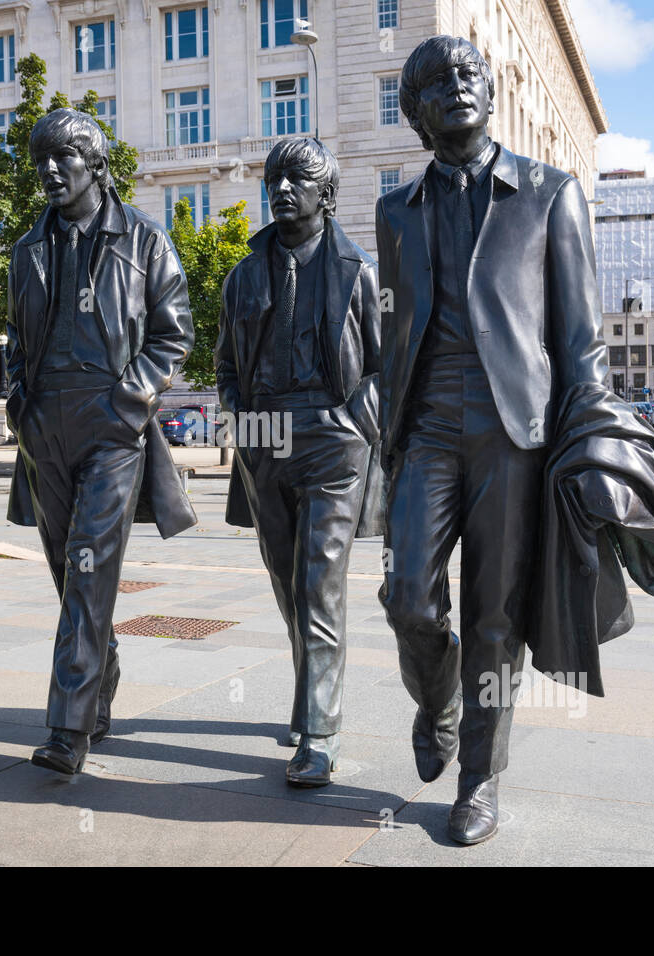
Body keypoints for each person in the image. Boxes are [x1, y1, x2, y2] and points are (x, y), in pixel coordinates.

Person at [375, 36, 612, 844]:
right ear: (416, 112)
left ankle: (480, 777)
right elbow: (396, 333)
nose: (458, 88)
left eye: (469, 74)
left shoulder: (549, 194)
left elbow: (580, 340)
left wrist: (590, 443)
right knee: (407, 595)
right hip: (428, 424)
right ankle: (437, 701)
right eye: (436, 82)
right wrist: (388, 428)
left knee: (496, 615)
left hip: (518, 431)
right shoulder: (393, 211)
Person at [5, 108, 195, 775]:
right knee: (68, 572)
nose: (51, 172)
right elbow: (15, 342)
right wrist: (18, 405)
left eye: (64, 158)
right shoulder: (27, 247)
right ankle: (101, 670)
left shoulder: (144, 240)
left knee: (87, 569)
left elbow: (173, 334)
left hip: (112, 428)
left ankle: (68, 727)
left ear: (96, 164)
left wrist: (130, 397)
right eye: (42, 162)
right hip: (43, 430)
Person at [214, 137, 383, 787]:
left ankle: (320, 733)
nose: (283, 188)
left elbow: (382, 369)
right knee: (286, 583)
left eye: (299, 179)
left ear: (326, 194)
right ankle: (309, 690)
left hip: (332, 441)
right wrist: (242, 421)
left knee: (318, 585)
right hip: (266, 439)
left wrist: (351, 425)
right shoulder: (244, 275)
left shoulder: (358, 272)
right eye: (275, 178)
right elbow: (227, 366)